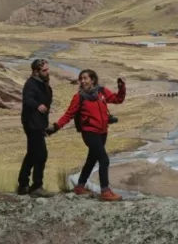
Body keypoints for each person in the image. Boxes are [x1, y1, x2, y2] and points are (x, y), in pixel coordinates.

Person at [51, 69, 126, 202]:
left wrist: (121, 87)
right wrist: (56, 126)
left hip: (103, 132)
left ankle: (80, 186)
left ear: (93, 80)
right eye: (81, 79)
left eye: (85, 78)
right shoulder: (79, 97)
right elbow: (69, 114)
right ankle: (105, 191)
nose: (83, 81)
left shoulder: (101, 92)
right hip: (89, 132)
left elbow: (118, 99)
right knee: (104, 160)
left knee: (92, 159)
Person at [17, 58, 56, 197]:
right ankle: (36, 186)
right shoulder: (31, 84)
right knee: (41, 154)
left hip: (38, 124)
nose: (47, 72)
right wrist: (37, 105)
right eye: (44, 70)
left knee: (32, 154)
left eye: (47, 69)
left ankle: (23, 184)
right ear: (36, 71)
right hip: (32, 124)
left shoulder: (42, 83)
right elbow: (28, 99)